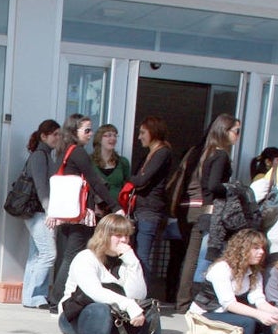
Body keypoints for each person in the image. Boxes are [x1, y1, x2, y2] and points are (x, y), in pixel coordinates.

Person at [56, 213, 167, 334]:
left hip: (113, 322)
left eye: (127, 236)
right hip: (77, 318)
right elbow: (94, 292)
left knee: (151, 313)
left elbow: (138, 295)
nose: (124, 240)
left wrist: (132, 261)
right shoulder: (85, 258)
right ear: (104, 235)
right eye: (118, 235)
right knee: (99, 309)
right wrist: (129, 305)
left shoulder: (124, 260)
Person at [45, 113, 116, 308]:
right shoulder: (78, 152)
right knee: (73, 256)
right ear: (74, 131)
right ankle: (58, 299)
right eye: (87, 130)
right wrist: (116, 206)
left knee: (66, 256)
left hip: (66, 214)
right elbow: (94, 181)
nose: (90, 134)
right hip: (79, 214)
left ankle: (58, 297)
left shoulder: (62, 152)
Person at [175, 114, 241, 311]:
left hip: (203, 210)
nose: (238, 135)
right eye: (236, 131)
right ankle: (196, 301)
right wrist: (232, 189)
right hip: (213, 213)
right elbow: (213, 185)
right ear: (225, 131)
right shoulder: (220, 154)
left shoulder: (207, 152)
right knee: (205, 258)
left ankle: (183, 301)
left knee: (193, 258)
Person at [21, 118, 61, 308]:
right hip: (39, 212)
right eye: (54, 135)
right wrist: (49, 210)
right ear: (44, 136)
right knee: (48, 254)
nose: (57, 138)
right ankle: (36, 296)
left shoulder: (45, 155)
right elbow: (41, 186)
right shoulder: (40, 156)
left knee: (36, 254)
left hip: (38, 212)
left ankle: (30, 297)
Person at [129, 115, 174, 283]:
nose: (139, 137)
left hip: (149, 210)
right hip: (143, 209)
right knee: (136, 254)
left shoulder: (162, 153)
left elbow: (141, 180)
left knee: (142, 255)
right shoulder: (152, 153)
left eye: (142, 132)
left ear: (153, 132)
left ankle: (142, 296)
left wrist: (126, 180)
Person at [92, 124, 131, 205]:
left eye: (115, 135)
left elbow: (127, 186)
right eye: (108, 135)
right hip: (95, 208)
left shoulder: (123, 162)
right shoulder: (89, 161)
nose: (113, 138)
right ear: (99, 138)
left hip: (117, 209)